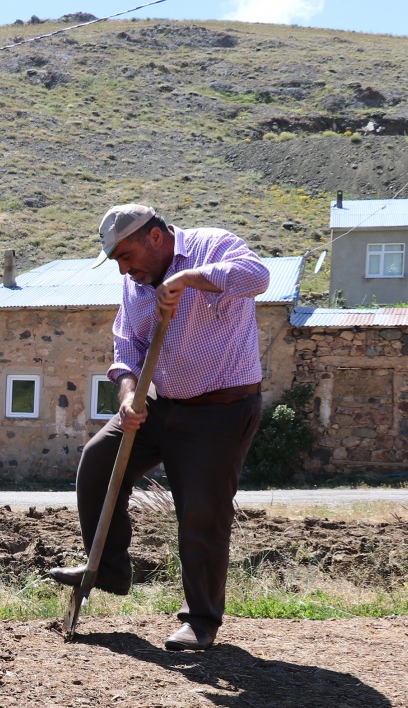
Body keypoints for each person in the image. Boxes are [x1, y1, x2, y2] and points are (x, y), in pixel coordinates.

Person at [47, 204, 269, 651]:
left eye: (126, 257)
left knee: (201, 511)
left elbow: (257, 277)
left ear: (154, 237)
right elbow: (127, 343)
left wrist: (188, 280)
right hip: (160, 404)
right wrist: (129, 394)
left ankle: (201, 620)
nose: (123, 270)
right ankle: (108, 568)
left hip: (220, 410)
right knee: (99, 460)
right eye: (116, 262)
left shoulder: (213, 246)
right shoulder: (135, 283)